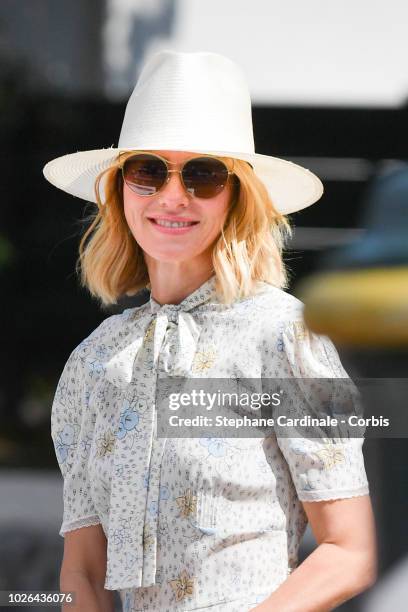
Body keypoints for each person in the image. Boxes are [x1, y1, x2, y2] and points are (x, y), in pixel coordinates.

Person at [44, 50, 377, 612]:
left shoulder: (289, 335)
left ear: (236, 196)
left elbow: (351, 550)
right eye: (149, 170)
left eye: (202, 174)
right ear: (120, 189)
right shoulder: (91, 364)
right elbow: (83, 570)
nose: (173, 196)